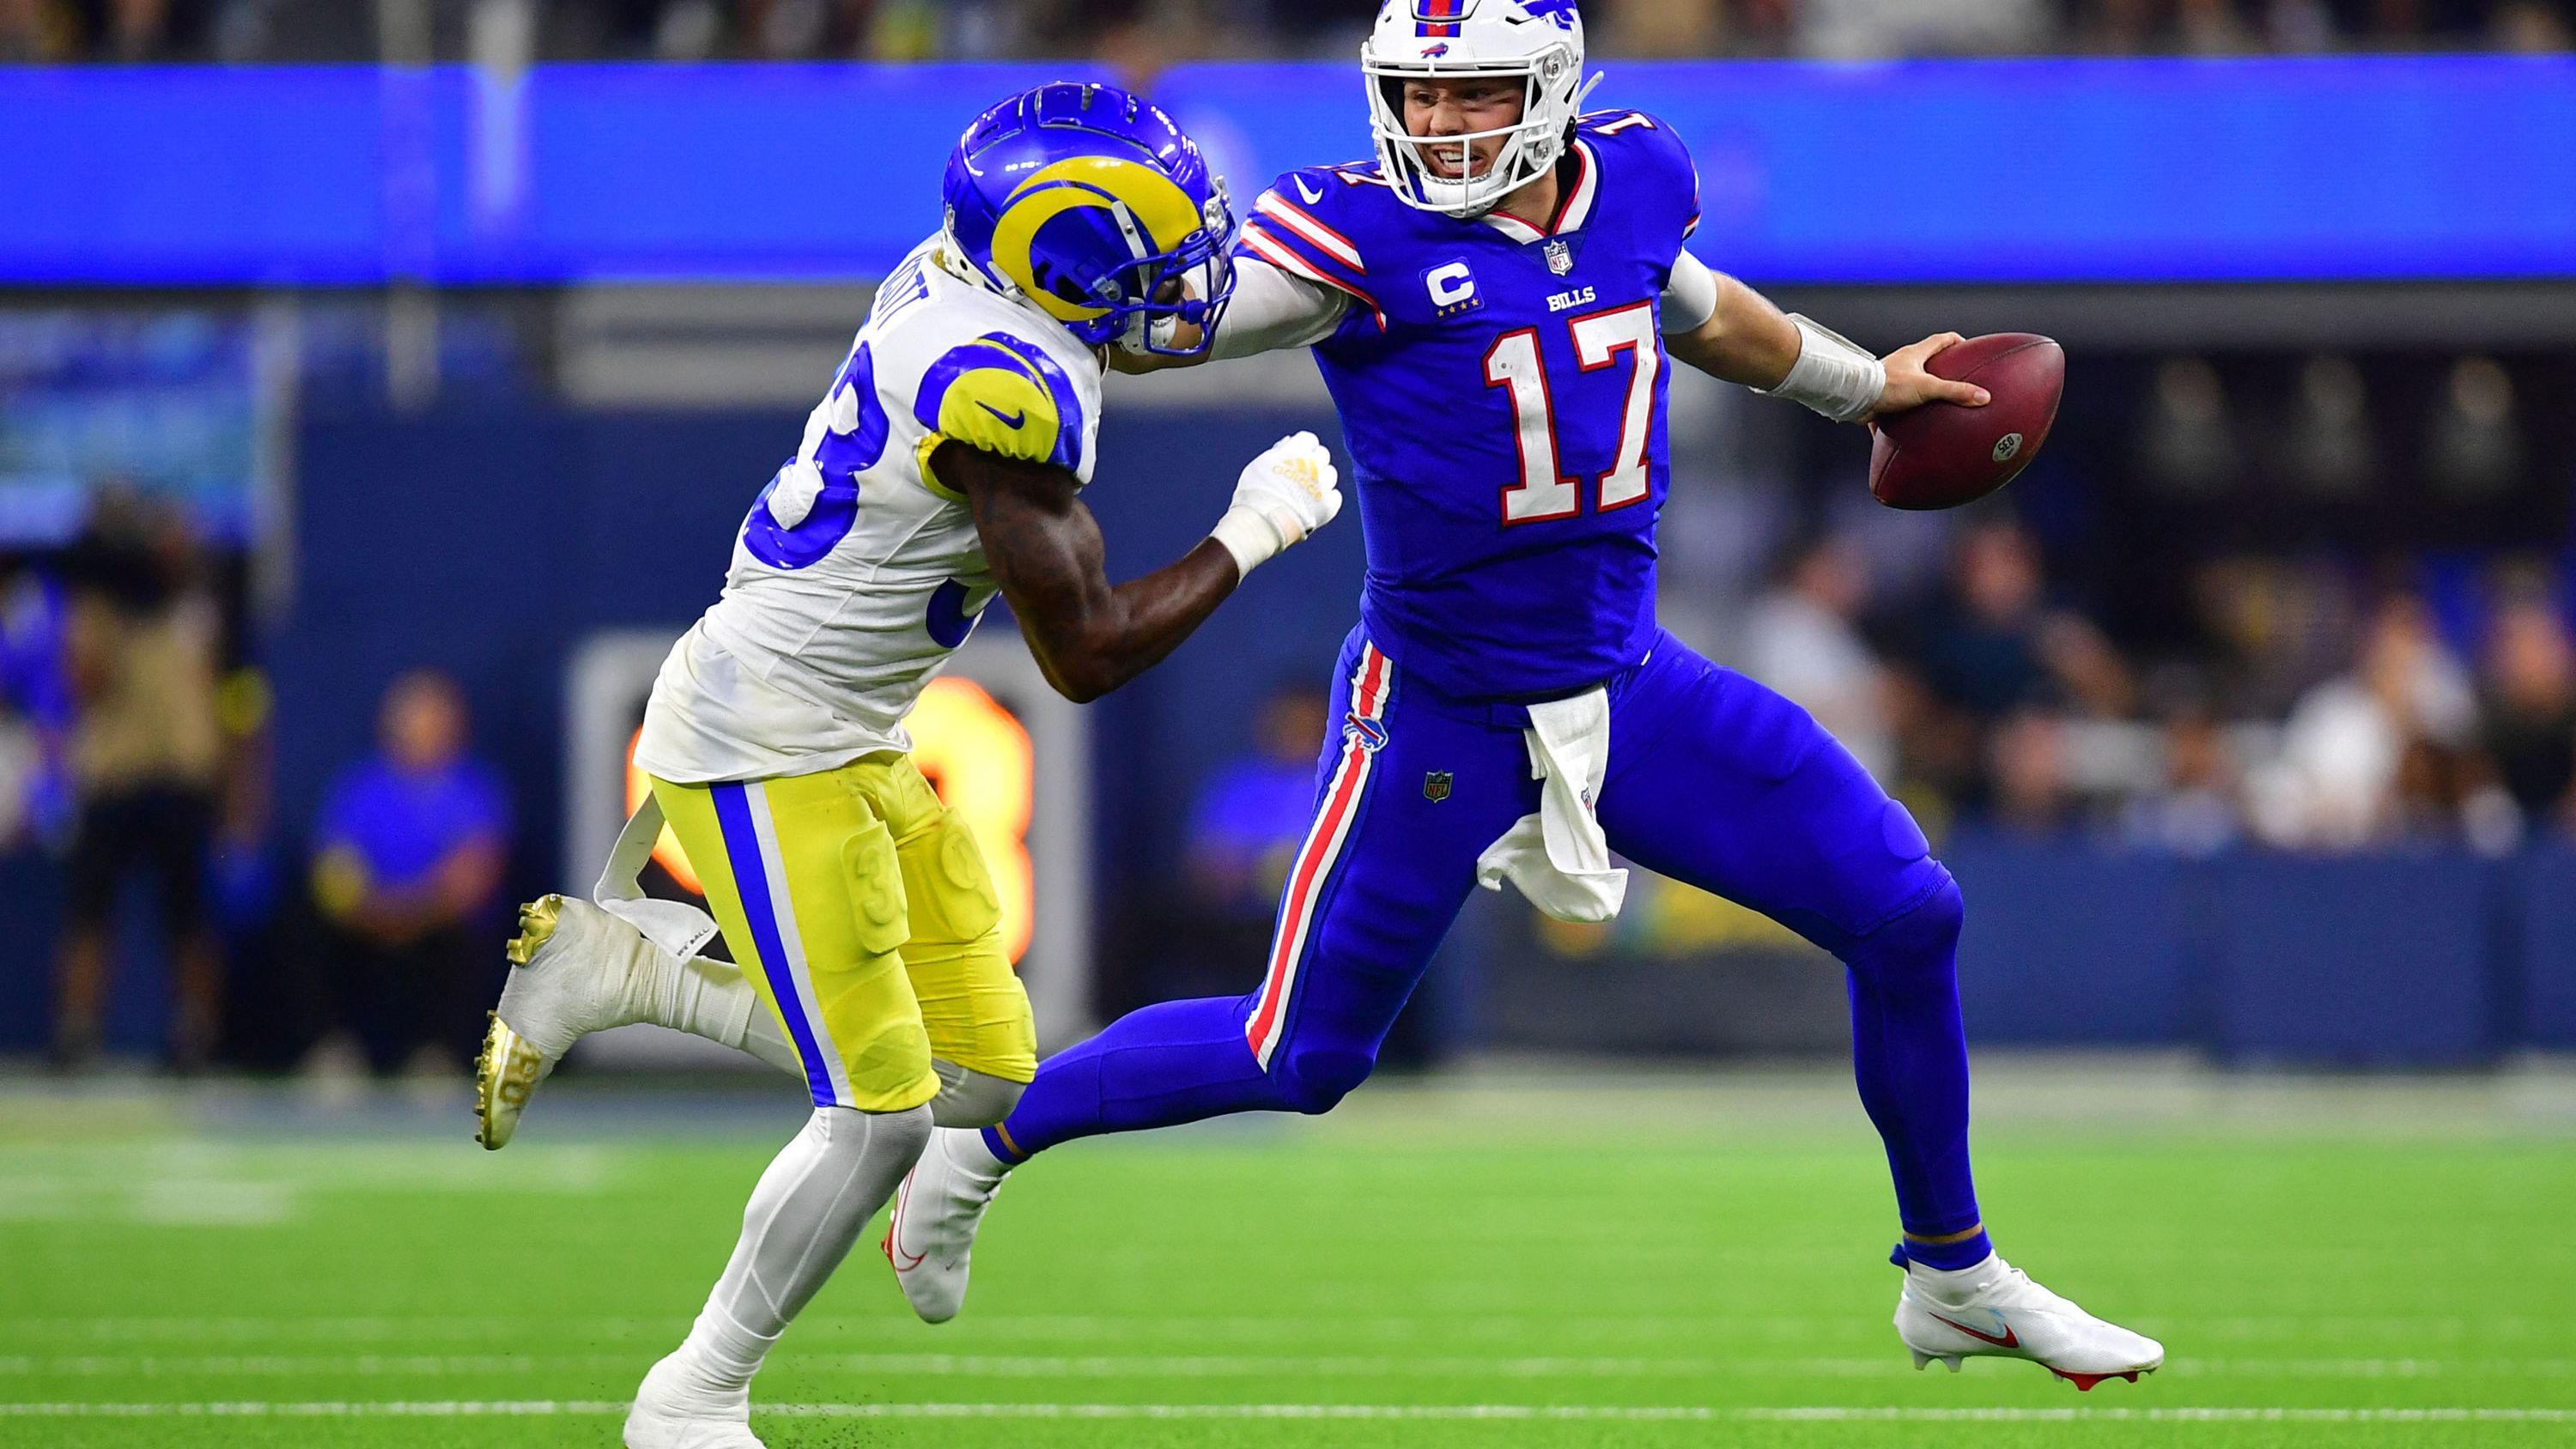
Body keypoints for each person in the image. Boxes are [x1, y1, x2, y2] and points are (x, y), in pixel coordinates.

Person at [883, 0, 2160, 1391]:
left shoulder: (1640, 179)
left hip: (1628, 682)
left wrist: (1866, 390)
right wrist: (1012, 286)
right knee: (1300, 1051)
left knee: (1909, 911)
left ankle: (1952, 1269)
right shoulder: (1352, 232)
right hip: (1437, 709)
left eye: (1471, 95)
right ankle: (986, 1138)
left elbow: (1701, 311)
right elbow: (1170, 324)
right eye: (1415, 97)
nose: (1435, 125)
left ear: (1550, 93)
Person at [468, 83, 1344, 1449]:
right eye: (1152, 257)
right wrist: (1256, 529)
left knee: (985, 1082)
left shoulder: (973, 277)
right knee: (879, 1114)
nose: (1185, 283)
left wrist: (1356, 290)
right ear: (1064, 265)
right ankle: (690, 1399)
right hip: (763, 744)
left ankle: (635, 969)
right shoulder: (1005, 389)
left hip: (843, 725)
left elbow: (1169, 324)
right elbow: (1088, 653)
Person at [51, 494, 226, 1072]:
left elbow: (228, 691)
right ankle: (78, 1031)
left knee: (188, 917)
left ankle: (194, 1032)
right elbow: (85, 683)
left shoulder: (197, 606)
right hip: (114, 772)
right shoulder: (97, 606)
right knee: (90, 912)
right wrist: (106, 618)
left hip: (180, 774)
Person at [307, 670, 510, 1076]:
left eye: (432, 720)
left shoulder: (475, 791)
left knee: (465, 941)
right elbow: (333, 876)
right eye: (411, 719)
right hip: (366, 925)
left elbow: (471, 882)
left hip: (439, 928)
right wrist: (377, 913)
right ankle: (333, 1050)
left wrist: (409, 913)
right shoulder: (359, 788)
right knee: (307, 928)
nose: (421, 731)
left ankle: (439, 1055)